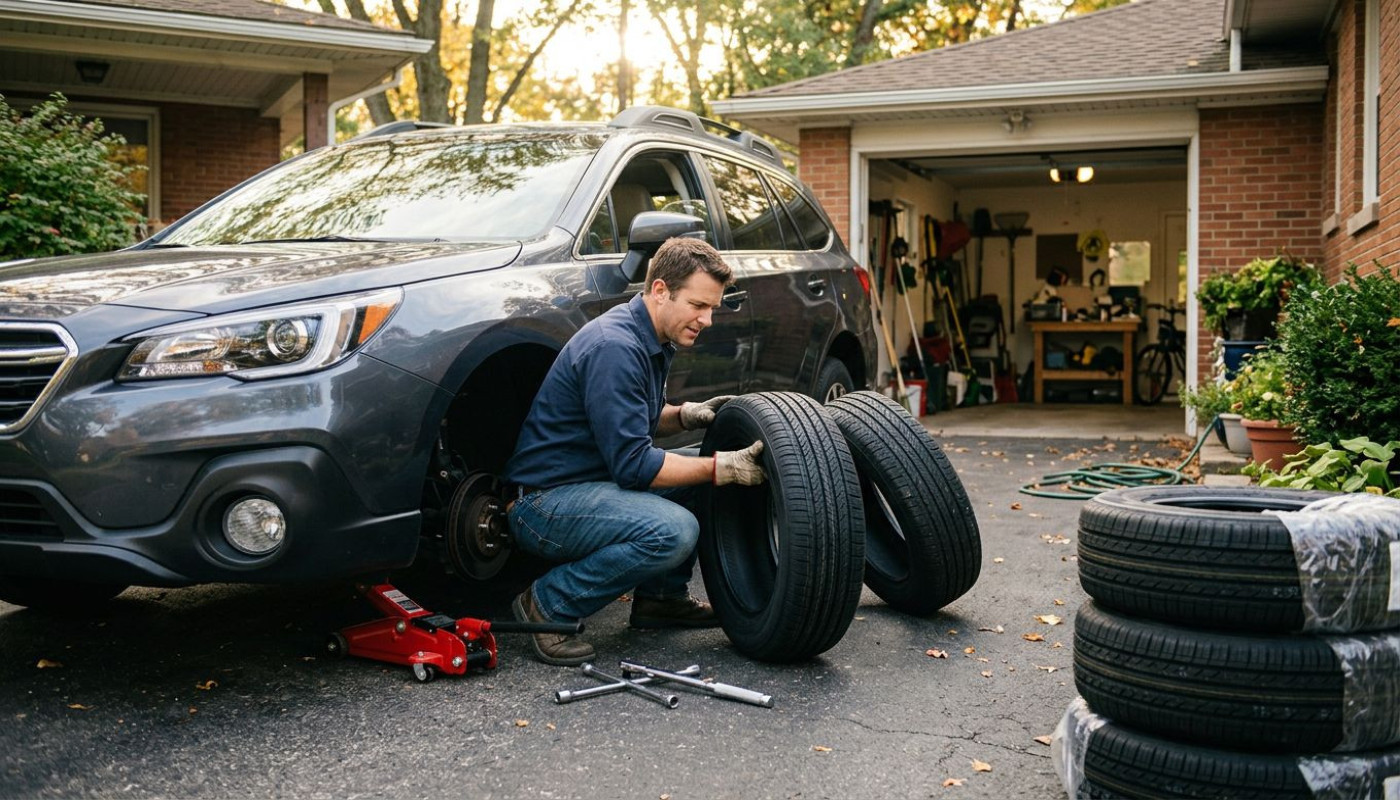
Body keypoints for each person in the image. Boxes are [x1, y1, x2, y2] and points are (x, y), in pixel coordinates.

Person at [503, 236, 767, 666]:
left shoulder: (650, 335)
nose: (709, 319)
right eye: (699, 305)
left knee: (700, 475)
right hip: (544, 504)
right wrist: (721, 466)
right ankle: (548, 604)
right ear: (661, 290)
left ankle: (661, 600)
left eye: (713, 308)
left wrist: (684, 415)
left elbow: (629, 420)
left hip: (590, 485)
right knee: (673, 529)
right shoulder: (615, 347)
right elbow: (634, 467)